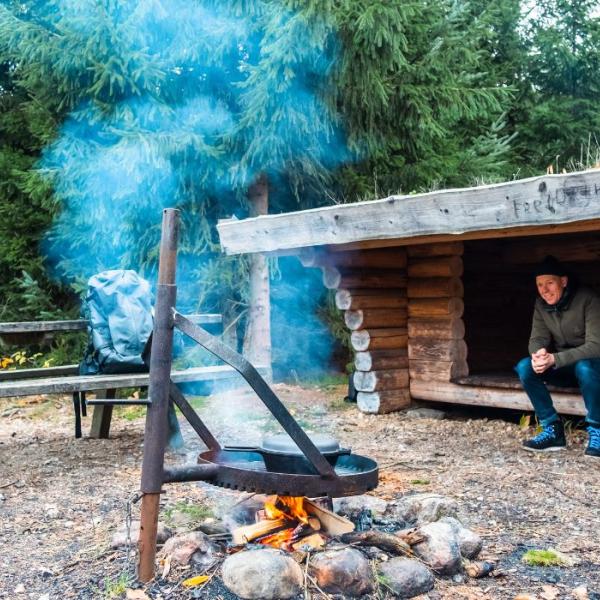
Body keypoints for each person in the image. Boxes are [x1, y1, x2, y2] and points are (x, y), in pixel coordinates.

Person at [515, 255, 600, 456]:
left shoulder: (588, 300)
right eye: (539, 285)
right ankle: (552, 429)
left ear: (563, 281)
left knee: (585, 367)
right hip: (567, 366)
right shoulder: (541, 304)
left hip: (594, 367)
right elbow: (537, 338)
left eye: (550, 283)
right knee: (524, 367)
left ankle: (597, 429)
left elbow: (596, 346)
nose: (544, 290)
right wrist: (539, 355)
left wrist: (555, 359)